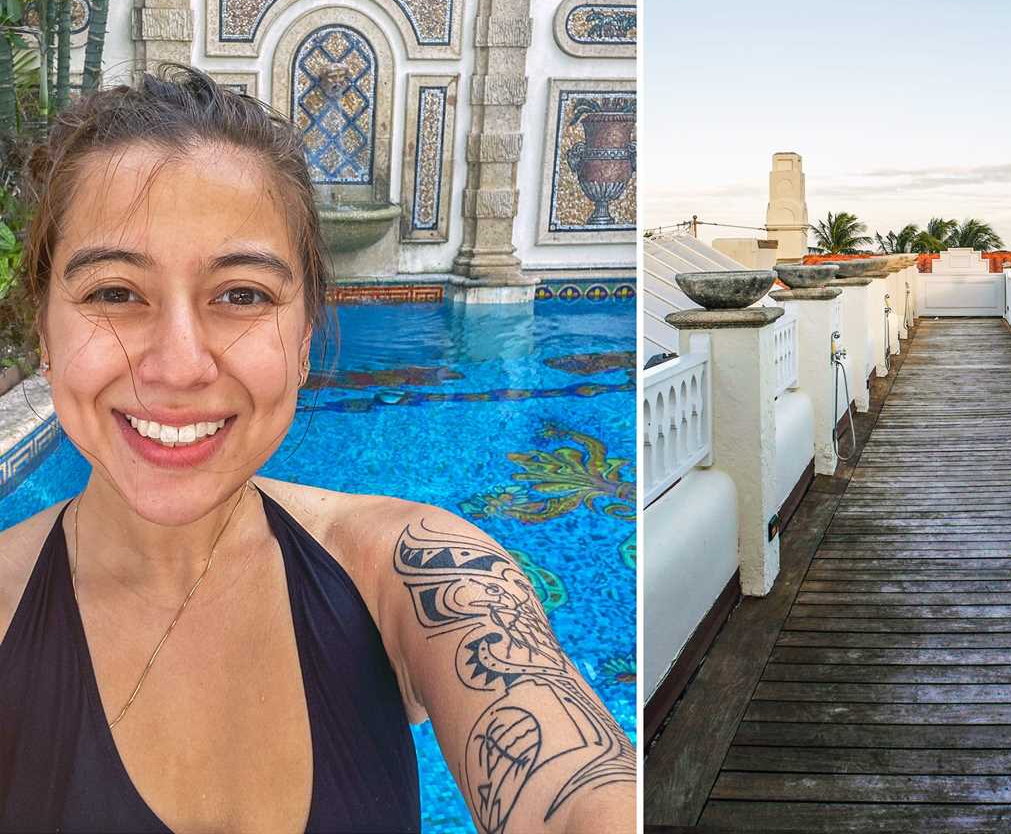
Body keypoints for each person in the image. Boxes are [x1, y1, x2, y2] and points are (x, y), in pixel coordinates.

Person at [0, 65, 636, 833]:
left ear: (302, 340)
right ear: (44, 330)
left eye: (242, 294)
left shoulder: (411, 568)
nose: (178, 364)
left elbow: (582, 798)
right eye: (113, 293)